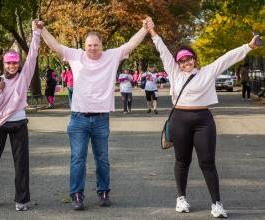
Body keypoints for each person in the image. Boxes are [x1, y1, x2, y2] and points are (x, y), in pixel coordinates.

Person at [145, 17, 261, 218]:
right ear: (177, 63)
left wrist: (248, 46)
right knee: (182, 161)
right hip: (180, 119)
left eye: (188, 59)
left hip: (203, 120)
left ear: (194, 59)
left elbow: (227, 58)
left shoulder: (207, 72)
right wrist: (153, 32)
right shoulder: (174, 73)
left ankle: (217, 203)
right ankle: (181, 198)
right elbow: (163, 51)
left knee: (207, 162)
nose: (185, 63)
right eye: (181, 60)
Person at [40, 18, 149, 210]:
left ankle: (104, 191)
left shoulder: (112, 56)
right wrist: (42, 30)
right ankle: (77, 195)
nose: (92, 48)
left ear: (102, 45)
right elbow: (55, 45)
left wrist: (144, 28)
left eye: (96, 45)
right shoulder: (75, 55)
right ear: (84, 46)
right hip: (78, 118)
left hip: (100, 119)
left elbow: (131, 43)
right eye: (89, 45)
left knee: (102, 158)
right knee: (77, 159)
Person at [0, 20, 43, 211]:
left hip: (18, 124)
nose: (12, 66)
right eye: (9, 63)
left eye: (15, 62)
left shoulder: (23, 78)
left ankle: (22, 200)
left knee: (21, 164)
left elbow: (32, 56)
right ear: (4, 63)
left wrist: (36, 33)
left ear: (18, 63)